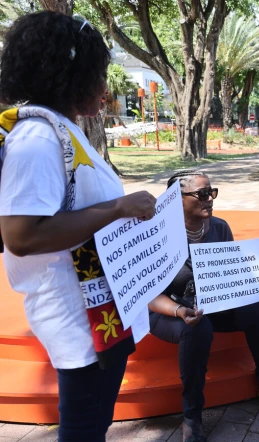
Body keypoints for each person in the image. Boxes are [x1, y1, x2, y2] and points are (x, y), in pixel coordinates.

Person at [0, 12, 157, 441]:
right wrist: (118, 208)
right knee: (84, 430)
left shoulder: (62, 130)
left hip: (100, 310)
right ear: (71, 73)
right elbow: (21, 235)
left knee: (93, 426)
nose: (105, 88)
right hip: (77, 318)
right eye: (99, 73)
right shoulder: (36, 139)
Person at [148, 171, 259, 442]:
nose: (210, 199)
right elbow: (148, 294)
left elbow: (229, 278)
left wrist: (255, 291)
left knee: (255, 312)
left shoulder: (219, 228)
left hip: (211, 304)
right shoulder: (157, 235)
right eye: (202, 194)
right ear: (175, 200)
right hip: (168, 310)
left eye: (212, 192)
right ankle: (192, 416)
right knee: (197, 330)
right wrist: (180, 311)